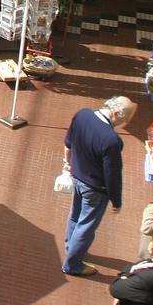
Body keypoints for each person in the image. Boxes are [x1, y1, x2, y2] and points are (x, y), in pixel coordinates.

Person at [61, 95, 136, 276]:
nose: (122, 123)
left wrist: (68, 165)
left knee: (75, 216)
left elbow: (68, 143)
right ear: (116, 113)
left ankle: (71, 247)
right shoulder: (111, 140)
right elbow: (112, 174)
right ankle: (73, 264)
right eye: (123, 119)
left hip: (77, 176)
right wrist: (116, 200)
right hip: (95, 188)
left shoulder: (82, 115)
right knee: (86, 226)